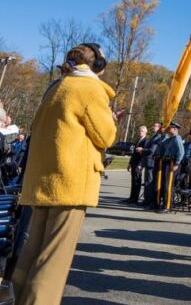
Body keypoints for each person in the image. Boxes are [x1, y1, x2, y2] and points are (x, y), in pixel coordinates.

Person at [11, 43, 119, 305]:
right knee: (54, 259)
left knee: (33, 248)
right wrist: (112, 120)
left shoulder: (58, 86)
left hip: (44, 180)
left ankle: (19, 298)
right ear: (97, 65)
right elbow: (106, 136)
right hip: (70, 181)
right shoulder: (90, 88)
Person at [156, 122, 185, 213]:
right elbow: (161, 144)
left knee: (168, 186)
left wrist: (176, 164)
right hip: (167, 163)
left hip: (172, 163)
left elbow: (181, 152)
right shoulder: (171, 139)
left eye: (170, 128)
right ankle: (165, 204)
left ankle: (168, 206)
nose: (168, 129)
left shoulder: (177, 139)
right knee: (165, 185)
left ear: (175, 129)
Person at [140, 122, 163, 208]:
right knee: (147, 182)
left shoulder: (158, 137)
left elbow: (152, 150)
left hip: (152, 163)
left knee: (150, 183)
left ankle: (150, 201)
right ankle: (146, 200)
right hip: (148, 162)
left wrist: (143, 150)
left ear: (159, 128)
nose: (153, 127)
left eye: (155, 126)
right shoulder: (153, 136)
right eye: (153, 125)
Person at [126, 125, 148, 203]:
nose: (140, 132)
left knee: (137, 181)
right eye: (139, 131)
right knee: (133, 181)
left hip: (139, 164)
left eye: (142, 131)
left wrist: (141, 164)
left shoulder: (145, 141)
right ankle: (131, 197)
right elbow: (134, 153)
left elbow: (144, 154)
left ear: (145, 132)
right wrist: (129, 163)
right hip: (134, 163)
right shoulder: (138, 140)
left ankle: (135, 198)